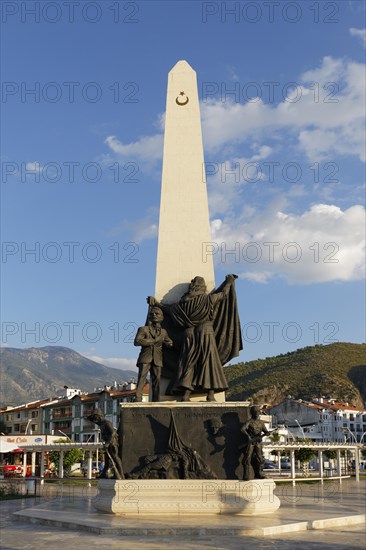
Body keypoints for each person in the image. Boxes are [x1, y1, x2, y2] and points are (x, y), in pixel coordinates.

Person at [147, 274, 242, 401]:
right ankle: (210, 394)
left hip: (189, 334)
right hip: (206, 332)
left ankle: (186, 394)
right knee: (208, 362)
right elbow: (224, 294)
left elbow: (168, 310)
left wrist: (157, 303)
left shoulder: (183, 303)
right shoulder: (209, 299)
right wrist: (229, 281)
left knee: (188, 363)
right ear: (202, 287)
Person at [134, 306, 173, 402]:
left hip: (158, 358)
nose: (154, 315)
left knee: (157, 380)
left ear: (162, 317)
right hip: (145, 357)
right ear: (149, 317)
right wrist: (153, 341)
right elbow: (137, 341)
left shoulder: (163, 332)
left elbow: (169, 341)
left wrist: (169, 343)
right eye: (152, 314)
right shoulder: (143, 329)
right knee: (142, 378)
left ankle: (156, 399)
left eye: (157, 314)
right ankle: (138, 397)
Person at [86, 409, 124, 479]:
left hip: (112, 444)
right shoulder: (101, 424)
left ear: (98, 416)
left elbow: (113, 433)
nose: (95, 420)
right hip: (107, 444)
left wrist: (108, 443)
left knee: (115, 458)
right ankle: (104, 474)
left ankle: (121, 475)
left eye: (95, 418)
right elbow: (91, 419)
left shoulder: (107, 423)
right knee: (107, 460)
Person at [241, 406, 269, 481]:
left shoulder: (261, 423)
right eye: (255, 412)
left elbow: (265, 431)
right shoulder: (249, 422)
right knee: (247, 457)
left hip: (258, 442)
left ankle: (259, 473)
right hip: (251, 442)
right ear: (252, 413)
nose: (256, 413)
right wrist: (248, 437)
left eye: (257, 412)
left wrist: (267, 433)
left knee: (260, 458)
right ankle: (246, 474)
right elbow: (243, 429)